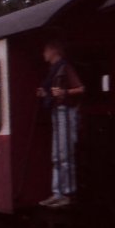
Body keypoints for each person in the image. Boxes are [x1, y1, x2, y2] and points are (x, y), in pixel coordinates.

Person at [36, 39, 85, 207]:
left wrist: (64, 92)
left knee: (64, 154)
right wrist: (46, 93)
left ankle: (67, 192)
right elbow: (54, 92)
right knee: (57, 155)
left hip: (66, 112)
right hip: (57, 112)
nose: (44, 54)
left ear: (53, 51)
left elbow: (80, 88)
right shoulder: (53, 70)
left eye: (46, 50)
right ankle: (57, 192)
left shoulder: (65, 67)